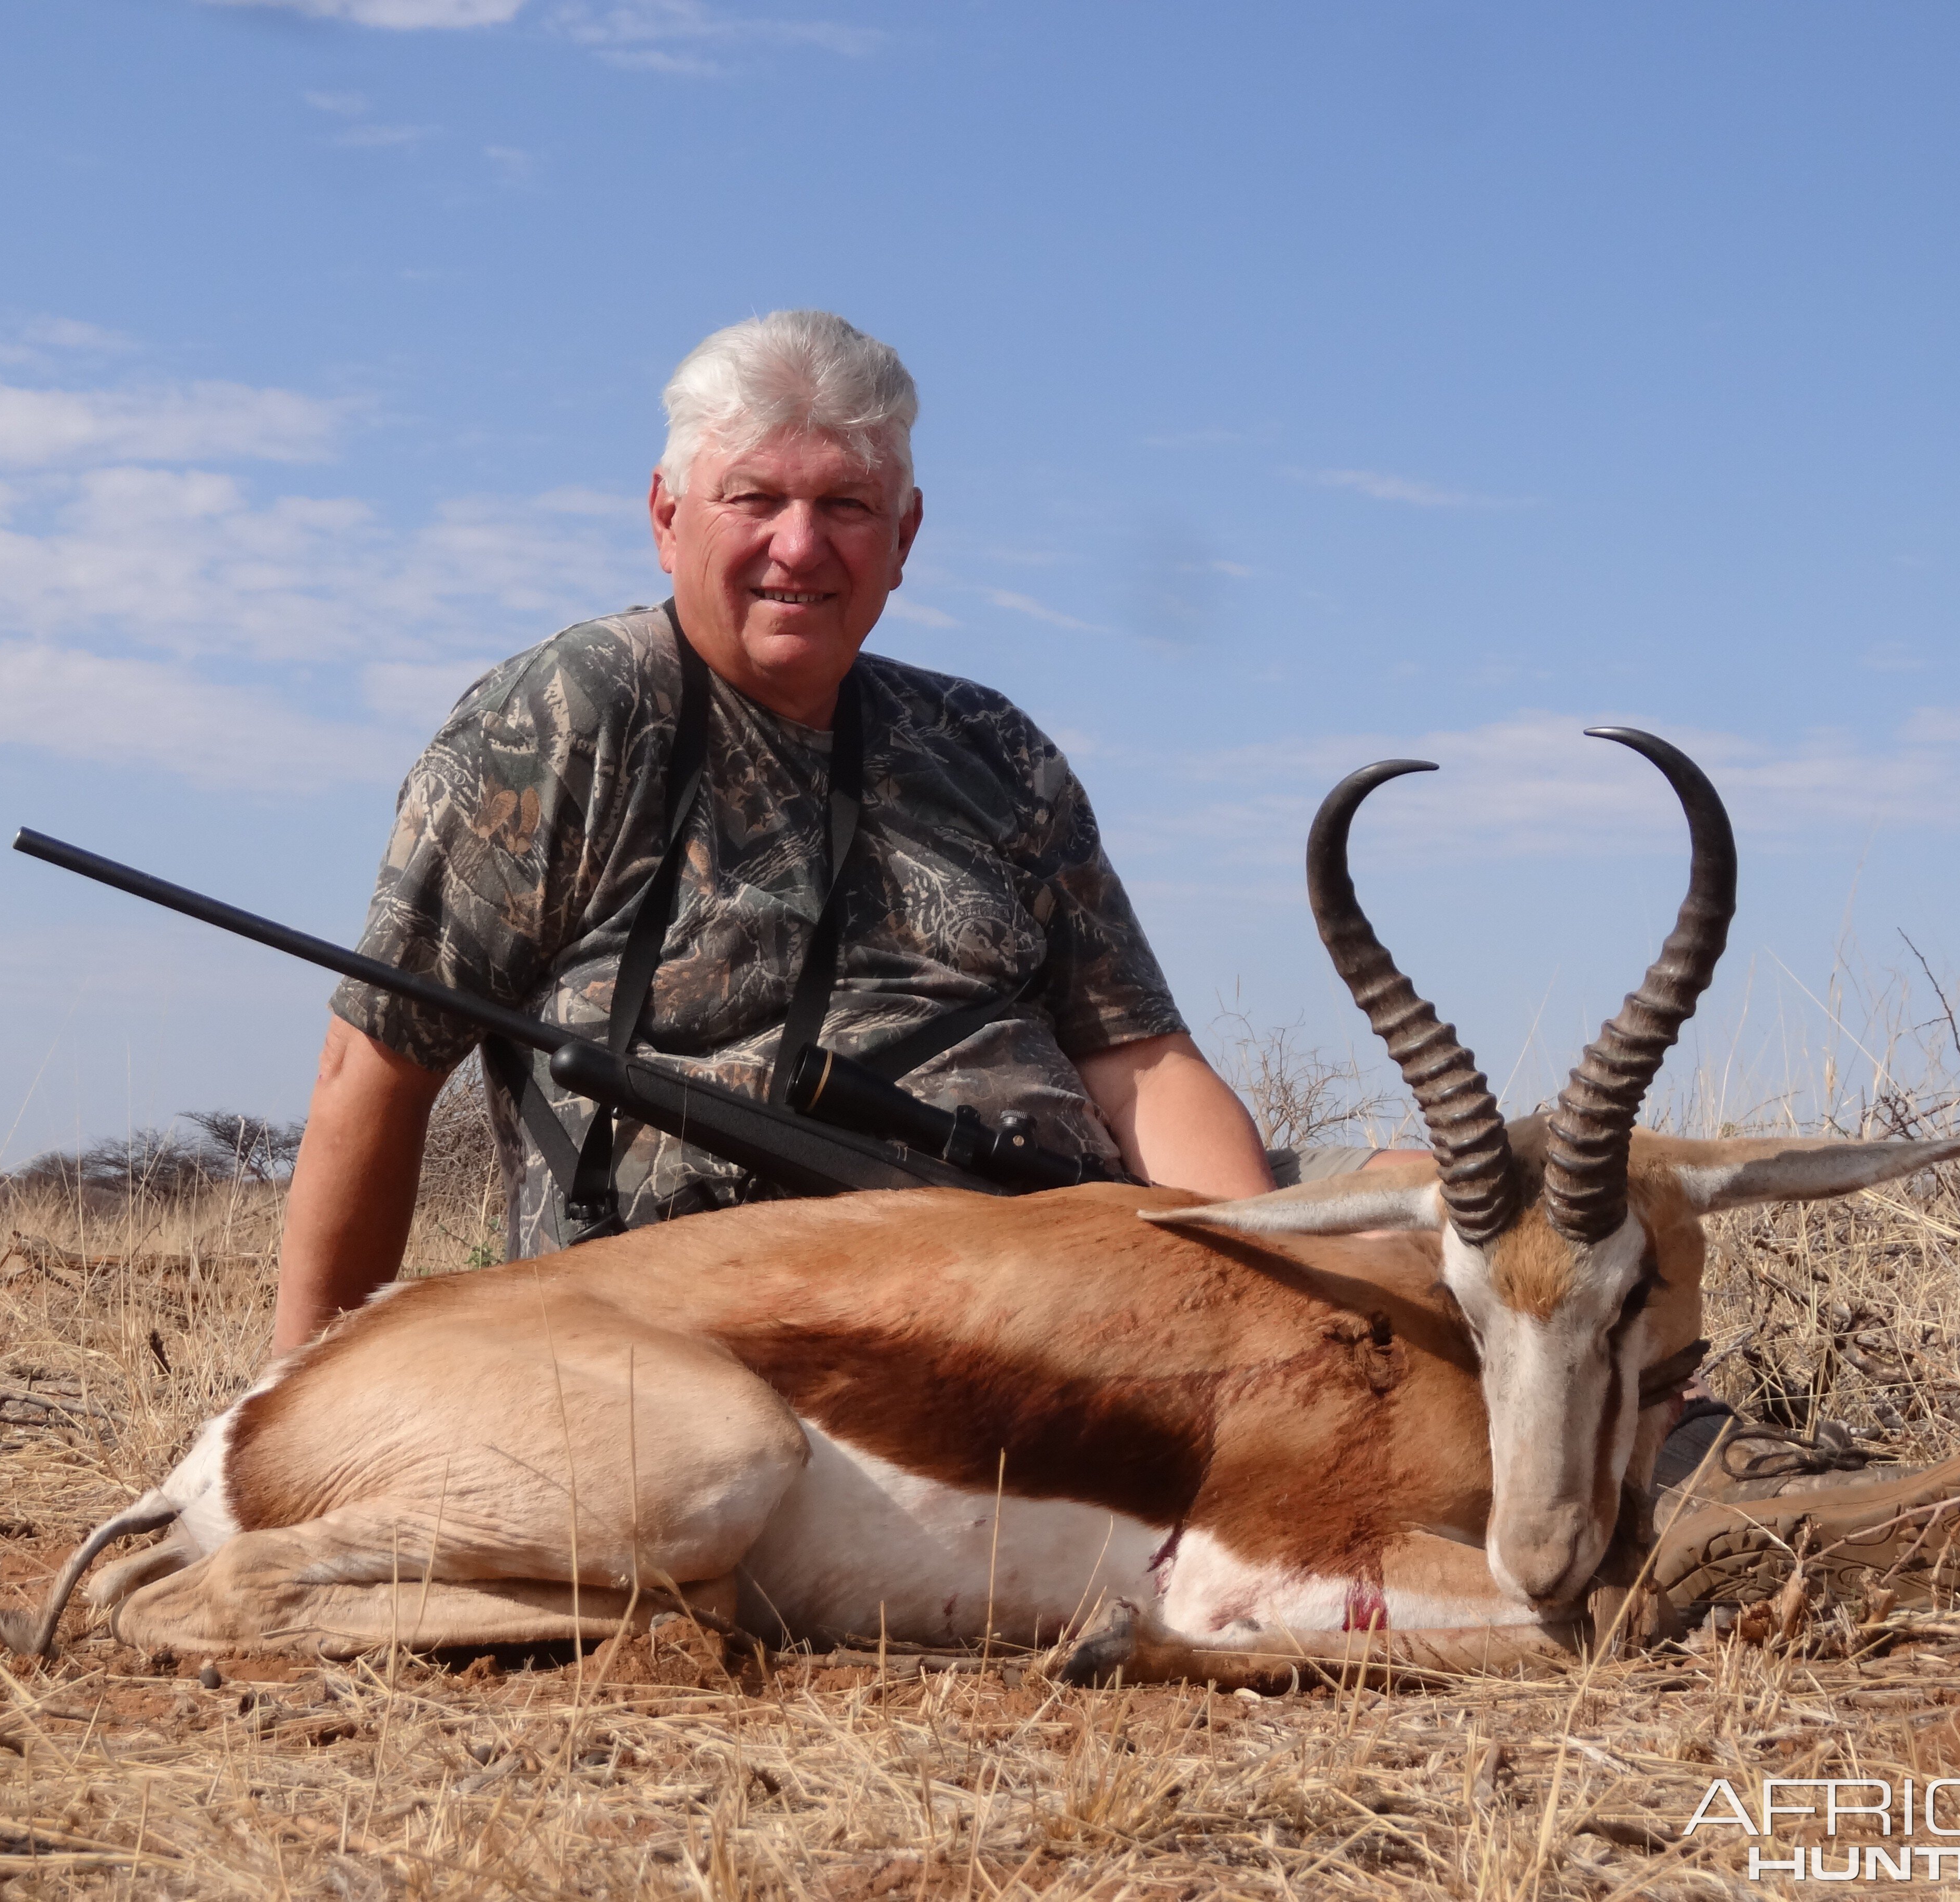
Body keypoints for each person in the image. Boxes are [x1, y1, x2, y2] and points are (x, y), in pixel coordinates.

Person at [271, 311, 1382, 1356]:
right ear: (666, 518)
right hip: (740, 1301)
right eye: (753, 498)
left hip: (1069, 1237)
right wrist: (304, 1400)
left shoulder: (990, 742)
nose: (799, 549)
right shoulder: (570, 714)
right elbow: (371, 1071)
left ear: (904, 535)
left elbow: (1141, 1062)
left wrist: (1257, 1272)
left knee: (1460, 1200)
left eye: (846, 506)